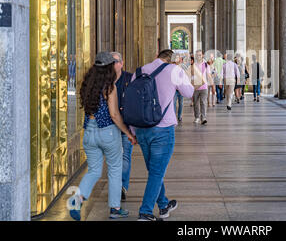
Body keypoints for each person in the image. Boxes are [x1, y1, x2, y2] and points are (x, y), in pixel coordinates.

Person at [70, 52, 137, 221]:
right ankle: (115, 209)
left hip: (89, 133)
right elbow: (114, 115)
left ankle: (76, 201)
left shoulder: (86, 85)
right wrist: (128, 133)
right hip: (107, 132)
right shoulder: (110, 87)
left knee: (93, 171)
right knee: (114, 170)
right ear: (108, 68)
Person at [132, 49, 194, 221]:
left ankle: (164, 204)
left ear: (156, 57)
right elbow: (189, 92)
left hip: (142, 128)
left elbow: (131, 102)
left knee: (154, 170)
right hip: (163, 129)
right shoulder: (174, 70)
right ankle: (145, 211)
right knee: (156, 172)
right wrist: (182, 71)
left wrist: (132, 131)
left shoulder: (139, 71)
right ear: (172, 61)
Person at [111, 52, 134, 201]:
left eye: (115, 62)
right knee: (113, 158)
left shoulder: (129, 78)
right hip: (110, 125)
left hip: (126, 123)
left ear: (122, 63)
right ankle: (115, 186)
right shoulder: (105, 80)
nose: (112, 65)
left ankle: (122, 187)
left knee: (125, 155)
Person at [192, 50, 212, 125]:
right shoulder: (194, 64)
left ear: (202, 55)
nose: (198, 56)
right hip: (195, 87)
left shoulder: (206, 65)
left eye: (200, 55)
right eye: (197, 55)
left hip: (204, 87)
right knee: (195, 103)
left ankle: (203, 117)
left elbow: (209, 74)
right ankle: (197, 117)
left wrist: (211, 83)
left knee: (203, 102)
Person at [172, 53, 184, 122]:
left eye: (179, 58)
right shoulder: (172, 66)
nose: (178, 59)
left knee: (181, 103)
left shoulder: (182, 67)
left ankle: (179, 116)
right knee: (174, 103)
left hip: (180, 88)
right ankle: (173, 116)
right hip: (174, 88)